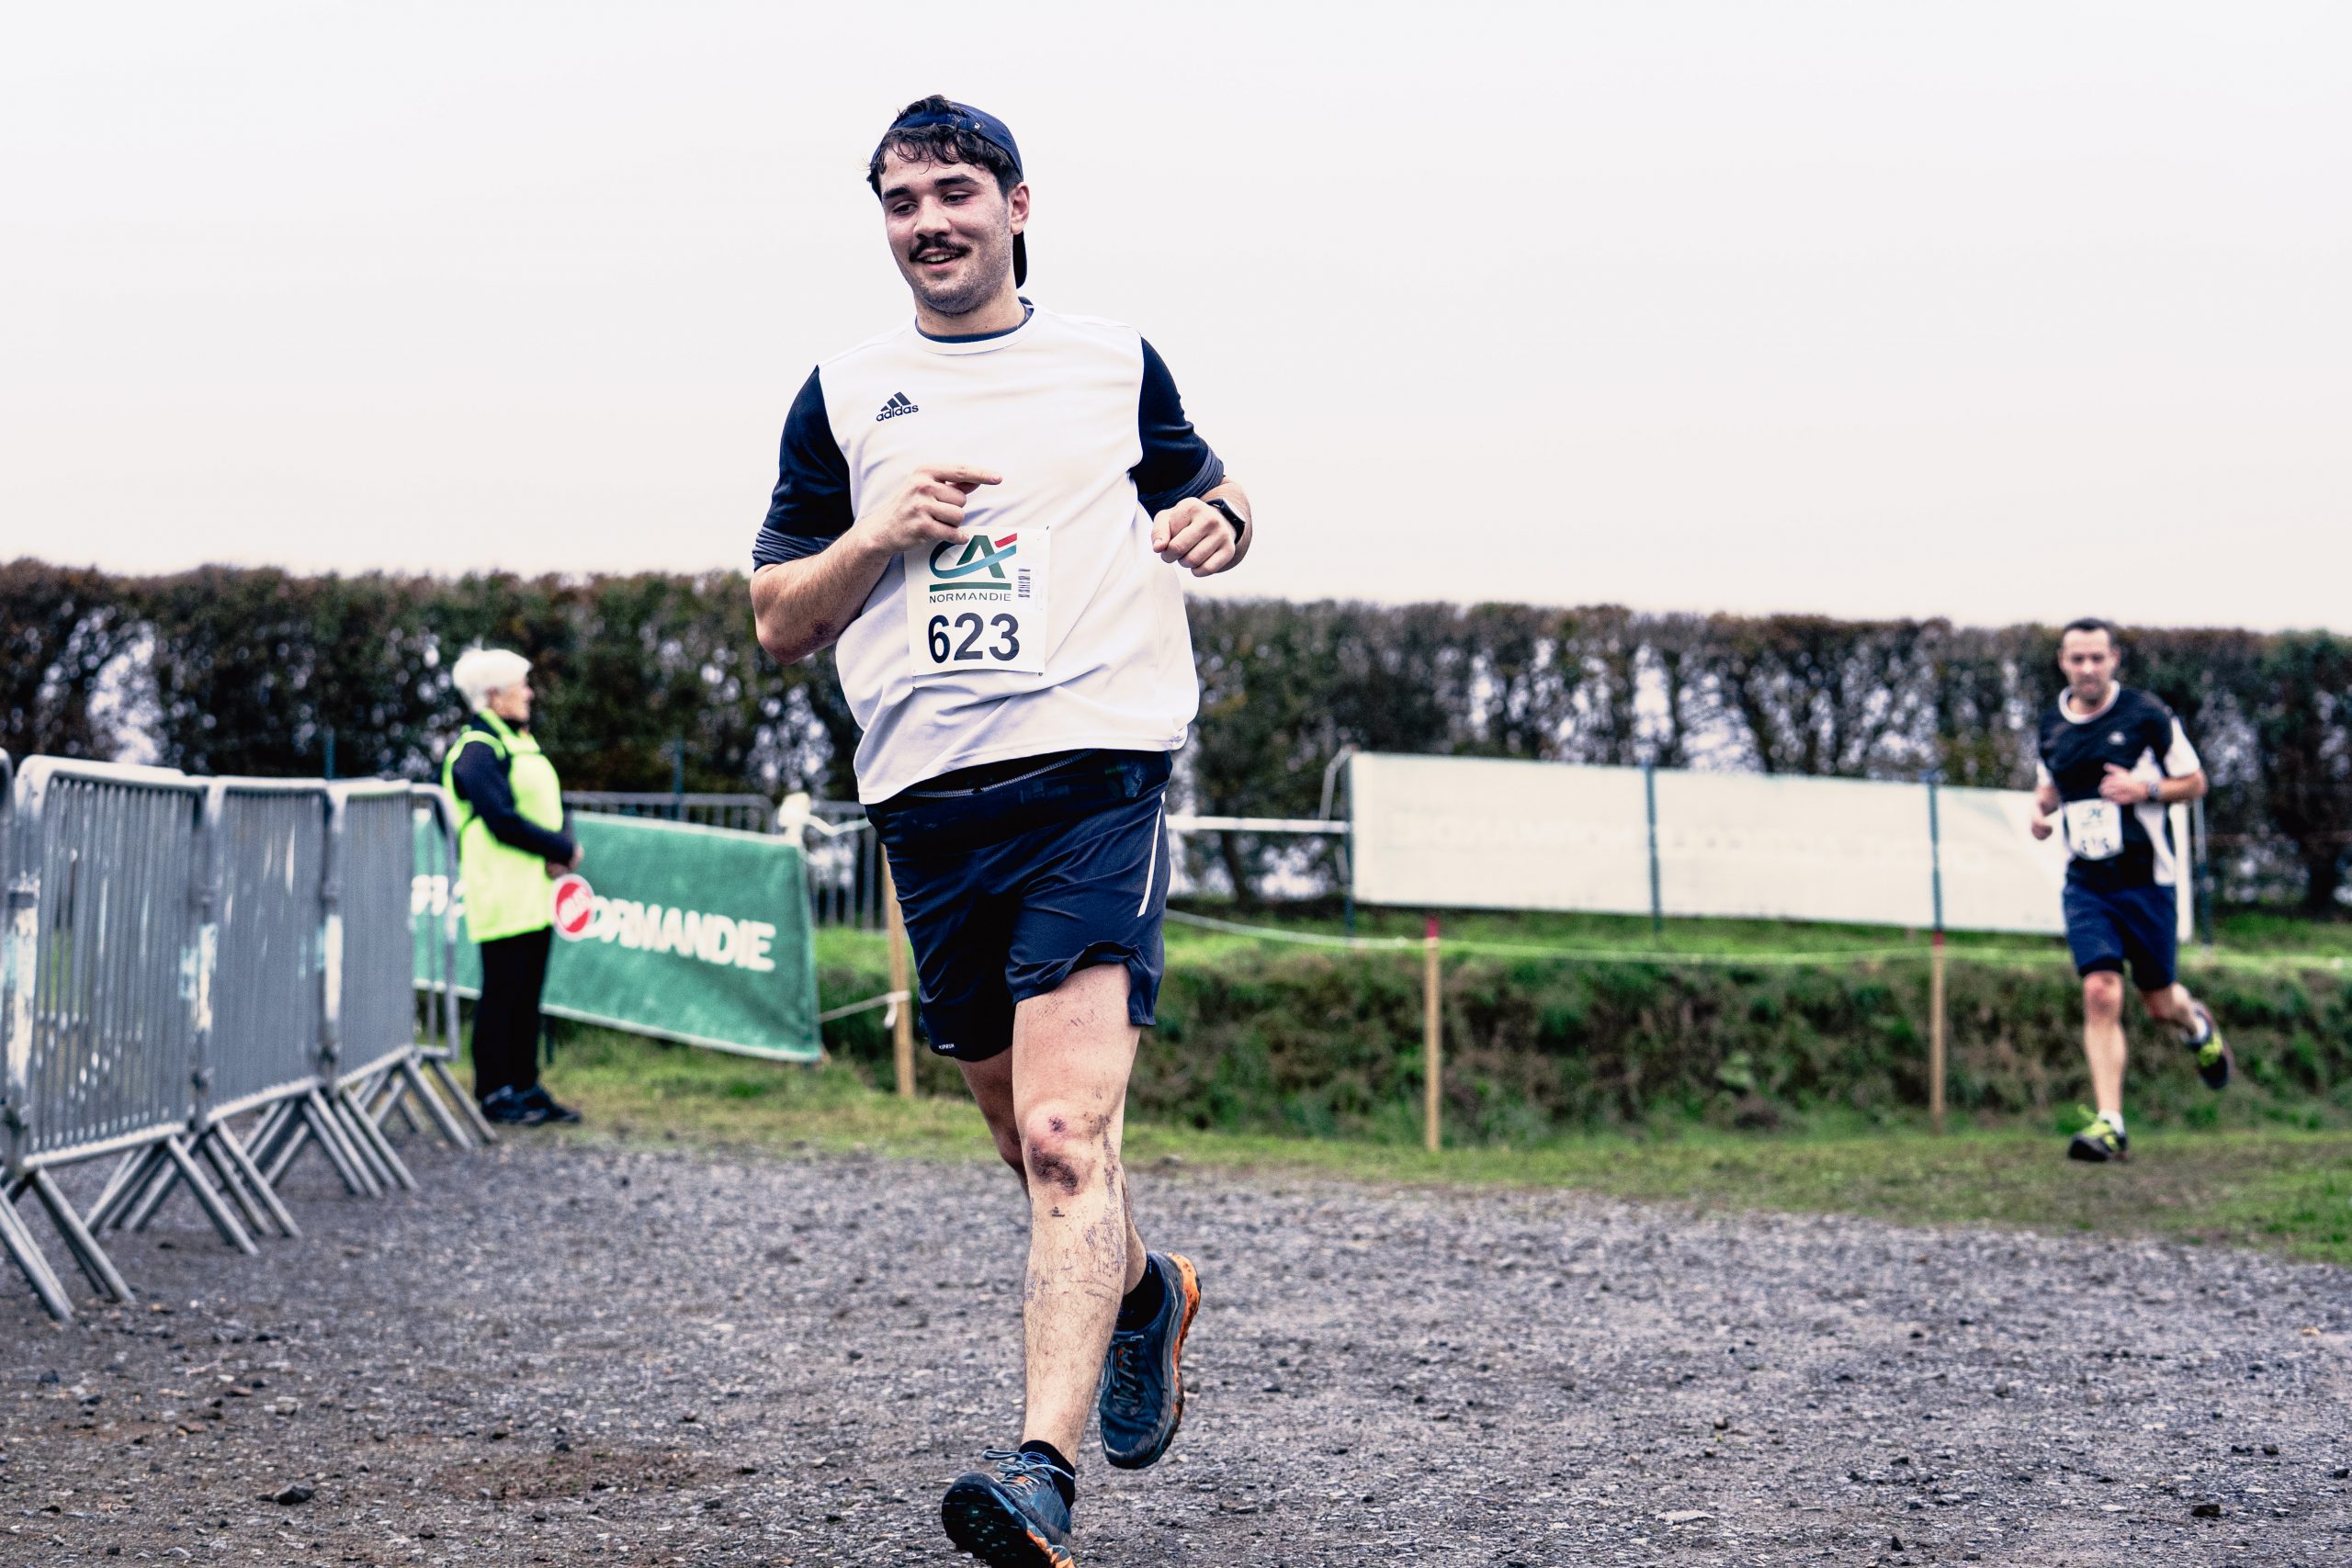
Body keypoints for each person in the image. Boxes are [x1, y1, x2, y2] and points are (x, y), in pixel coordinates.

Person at [749, 96, 1251, 1568]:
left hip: (1092, 778)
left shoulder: (1110, 360)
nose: (929, 224)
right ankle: (1145, 1288)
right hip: (929, 805)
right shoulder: (843, 395)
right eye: (901, 202)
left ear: (1017, 205)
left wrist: (1223, 523)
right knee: (1013, 1132)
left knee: (1062, 1132)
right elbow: (778, 616)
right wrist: (875, 531)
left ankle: (1040, 1470)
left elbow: (1210, 492)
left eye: (954, 193)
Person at [2030, 617, 2231, 1162]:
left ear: (2114, 659)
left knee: (2160, 1004)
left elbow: (2195, 782)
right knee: (2100, 991)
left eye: (2097, 658)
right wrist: (2039, 811)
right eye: (2077, 659)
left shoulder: (2147, 715)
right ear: (2062, 662)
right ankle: (2110, 1124)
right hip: (2087, 884)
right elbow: (2050, 785)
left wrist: (2144, 788)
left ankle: (2197, 1026)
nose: (2087, 668)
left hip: (2147, 883)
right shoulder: (2051, 724)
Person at [443, 648, 584, 1128]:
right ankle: (494, 1091)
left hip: (534, 895)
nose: (529, 693)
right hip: (501, 893)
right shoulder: (477, 750)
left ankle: (525, 1085)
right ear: (493, 695)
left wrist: (564, 843)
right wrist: (560, 847)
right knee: (502, 995)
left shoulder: (518, 741)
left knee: (527, 997)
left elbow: (549, 801)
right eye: (520, 685)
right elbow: (501, 819)